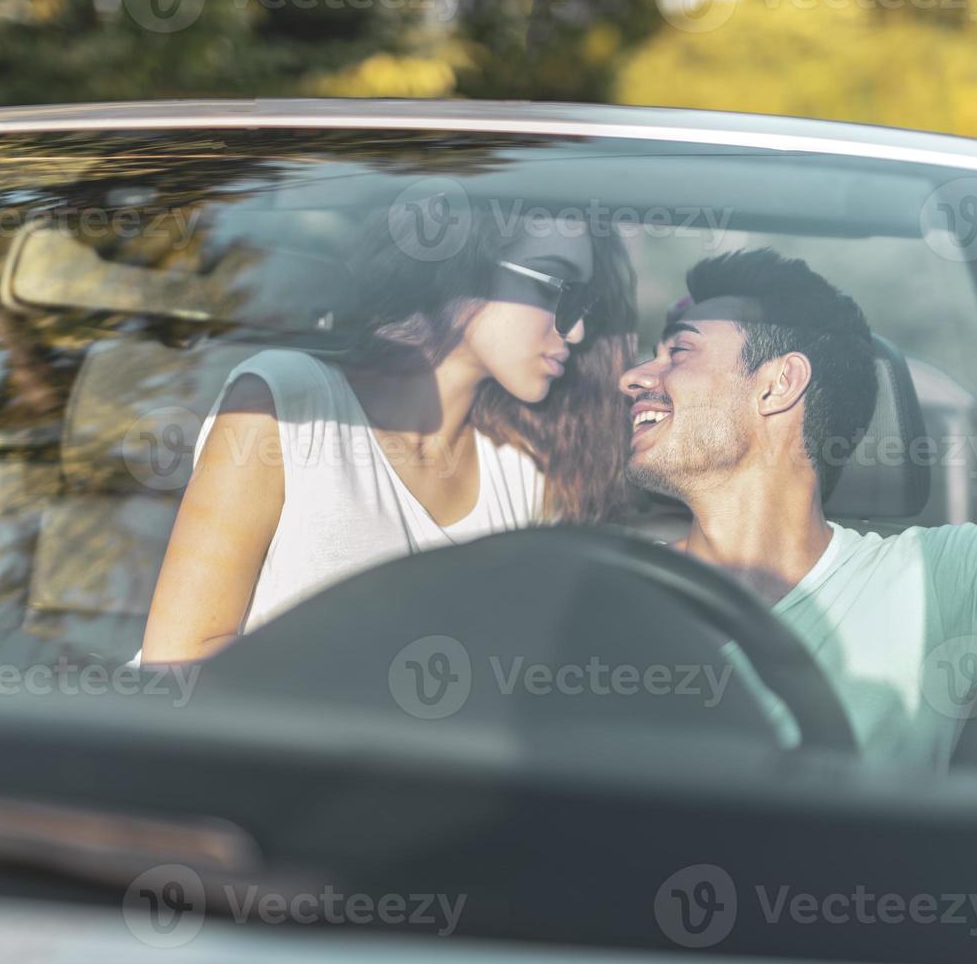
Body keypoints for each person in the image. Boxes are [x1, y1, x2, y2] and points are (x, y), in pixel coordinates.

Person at [140, 205, 637, 663]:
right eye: (555, 285)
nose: (575, 333)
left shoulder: (522, 479)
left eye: (584, 304)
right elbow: (178, 660)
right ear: (466, 265)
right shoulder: (290, 404)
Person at [619, 248, 977, 767]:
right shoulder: (606, 586)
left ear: (779, 385)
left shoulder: (943, 576)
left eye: (679, 352)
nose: (633, 378)